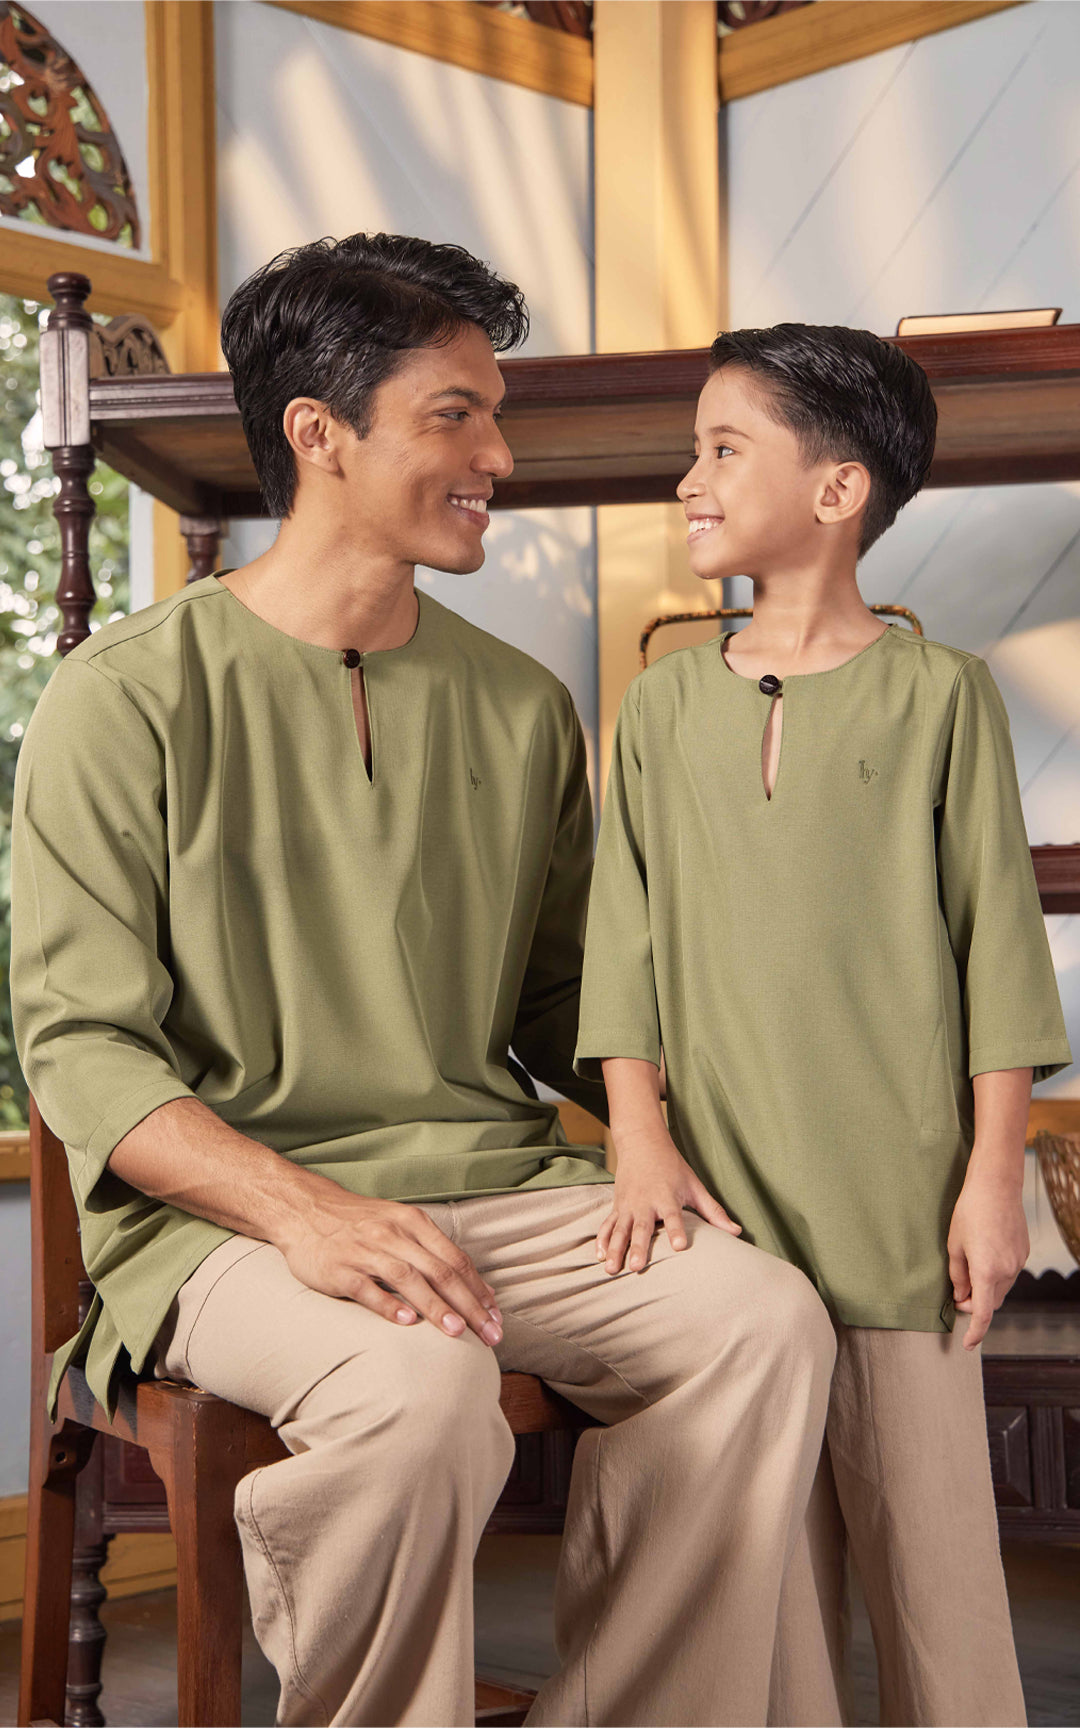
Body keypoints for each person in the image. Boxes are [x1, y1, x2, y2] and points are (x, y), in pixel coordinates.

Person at [12, 240, 837, 1728]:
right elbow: (83, 1053)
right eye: (456, 417)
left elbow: (574, 1003)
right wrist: (304, 1212)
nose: (498, 458)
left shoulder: (521, 707)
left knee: (761, 1322)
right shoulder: (121, 697)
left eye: (494, 418)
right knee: (417, 1386)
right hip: (228, 1225)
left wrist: (728, 1121)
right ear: (318, 433)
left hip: (499, 1188)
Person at [574, 322, 1072, 1728]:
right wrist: (636, 1138)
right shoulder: (663, 706)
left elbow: (996, 951)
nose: (689, 479)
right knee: (765, 1580)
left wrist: (994, 1182)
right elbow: (624, 942)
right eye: (694, 450)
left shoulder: (942, 694)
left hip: (903, 1204)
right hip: (723, 1211)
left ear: (838, 490)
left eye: (724, 449)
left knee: (933, 1567)